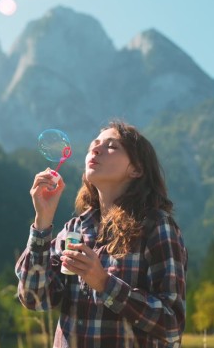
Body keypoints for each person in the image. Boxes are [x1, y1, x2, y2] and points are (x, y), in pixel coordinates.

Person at [16, 121, 188, 348]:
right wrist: (42, 221)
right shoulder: (74, 229)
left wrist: (105, 283)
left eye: (112, 146)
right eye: (93, 145)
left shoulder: (157, 227)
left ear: (136, 169)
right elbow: (34, 298)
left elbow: (172, 324)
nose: (95, 150)